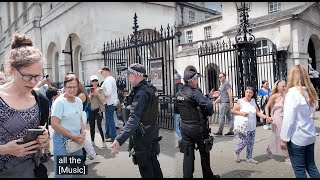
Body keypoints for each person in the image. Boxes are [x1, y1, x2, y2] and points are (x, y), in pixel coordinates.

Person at [0, 34, 49, 177]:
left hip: (35, 171)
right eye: (28, 76)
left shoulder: (40, 99)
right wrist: (5, 149)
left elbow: (43, 134)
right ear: (13, 70)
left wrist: (45, 138)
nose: (34, 82)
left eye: (38, 76)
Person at [110, 63, 163, 178]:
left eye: (129, 74)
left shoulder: (141, 93)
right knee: (153, 162)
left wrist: (119, 139)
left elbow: (134, 119)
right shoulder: (149, 89)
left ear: (136, 75)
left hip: (143, 135)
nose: (128, 77)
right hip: (151, 132)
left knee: (146, 167)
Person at [176, 70, 220, 178]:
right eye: (196, 79)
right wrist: (209, 110)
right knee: (204, 151)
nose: (197, 81)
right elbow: (208, 105)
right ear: (192, 80)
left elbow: (191, 101)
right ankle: (208, 176)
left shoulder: (179, 93)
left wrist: (207, 95)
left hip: (184, 127)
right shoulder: (195, 92)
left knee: (188, 155)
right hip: (197, 128)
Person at [280, 65, 320, 178]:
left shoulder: (292, 94)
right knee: (311, 167)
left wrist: (283, 138)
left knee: (299, 170)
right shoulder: (310, 92)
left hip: (297, 137)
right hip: (309, 134)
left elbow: (289, 119)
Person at [51, 74, 86, 178]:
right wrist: (73, 136)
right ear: (64, 87)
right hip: (62, 140)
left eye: (74, 87)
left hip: (77, 139)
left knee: (78, 172)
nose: (72, 89)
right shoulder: (59, 102)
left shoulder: (79, 101)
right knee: (61, 173)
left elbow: (79, 118)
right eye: (69, 87)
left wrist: (83, 131)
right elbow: (54, 124)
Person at [231, 86, 270, 164]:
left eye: (250, 92)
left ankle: (249, 158)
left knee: (251, 143)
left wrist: (266, 117)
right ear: (245, 92)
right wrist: (241, 113)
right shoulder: (241, 101)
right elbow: (233, 110)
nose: (248, 94)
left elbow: (258, 112)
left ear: (252, 94)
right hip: (243, 127)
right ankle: (236, 151)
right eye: (247, 92)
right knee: (244, 141)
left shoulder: (253, 101)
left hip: (252, 126)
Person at [264, 80, 291, 165]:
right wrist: (268, 117)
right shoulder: (274, 96)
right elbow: (267, 107)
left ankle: (269, 150)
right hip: (277, 118)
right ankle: (287, 157)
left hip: (285, 118)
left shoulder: (287, 95)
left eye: (285, 86)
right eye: (282, 86)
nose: (284, 87)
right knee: (282, 137)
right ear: (278, 87)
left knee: (276, 136)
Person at [77, 80, 103, 166]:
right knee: (81, 137)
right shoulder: (84, 93)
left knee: (81, 137)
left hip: (80, 116)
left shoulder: (81, 94)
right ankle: (91, 155)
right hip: (81, 115)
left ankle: (92, 155)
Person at [99, 66, 119, 142]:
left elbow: (108, 93)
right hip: (111, 102)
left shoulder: (108, 80)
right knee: (108, 119)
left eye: (102, 72)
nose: (101, 73)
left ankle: (113, 136)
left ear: (106, 71)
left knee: (110, 120)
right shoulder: (111, 79)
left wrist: (101, 94)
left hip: (109, 102)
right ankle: (108, 134)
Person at [88, 75, 106, 146]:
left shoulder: (101, 89)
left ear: (98, 81)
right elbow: (88, 101)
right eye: (93, 81)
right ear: (91, 82)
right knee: (91, 126)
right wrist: (91, 95)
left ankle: (103, 140)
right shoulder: (88, 90)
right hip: (91, 110)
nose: (94, 82)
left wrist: (97, 94)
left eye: (96, 80)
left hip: (98, 109)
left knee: (99, 125)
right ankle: (92, 141)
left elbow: (103, 100)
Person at [174, 73, 184, 141]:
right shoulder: (182, 86)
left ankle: (183, 140)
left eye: (175, 79)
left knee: (177, 127)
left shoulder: (179, 86)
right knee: (180, 126)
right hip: (182, 109)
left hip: (178, 110)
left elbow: (179, 97)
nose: (174, 81)